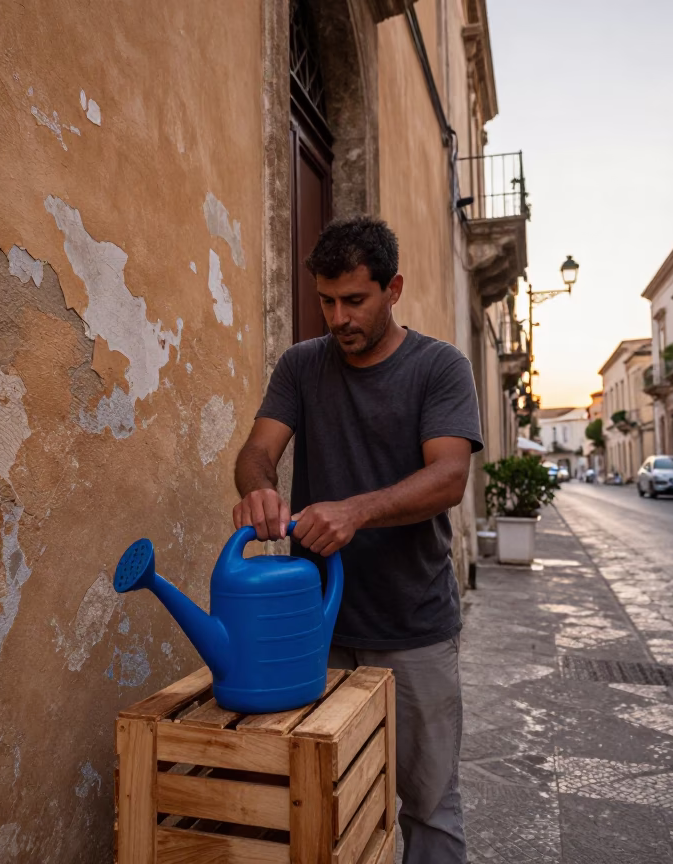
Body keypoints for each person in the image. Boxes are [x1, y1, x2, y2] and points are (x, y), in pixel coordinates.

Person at [231, 216, 482, 863]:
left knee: (429, 806)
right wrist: (259, 487)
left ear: (393, 288)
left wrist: (354, 512)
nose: (337, 317)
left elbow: (449, 477)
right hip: (314, 629)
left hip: (414, 628)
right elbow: (257, 451)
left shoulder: (441, 368)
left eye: (354, 300)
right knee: (317, 797)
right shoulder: (300, 366)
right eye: (326, 301)